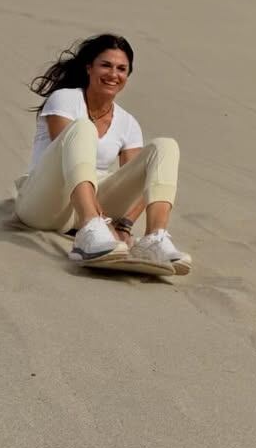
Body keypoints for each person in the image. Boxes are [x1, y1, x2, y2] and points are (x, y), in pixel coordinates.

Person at [14, 33, 191, 272]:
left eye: (121, 68)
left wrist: (124, 226)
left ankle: (154, 238)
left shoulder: (128, 123)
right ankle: (90, 228)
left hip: (96, 208)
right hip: (44, 203)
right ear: (89, 68)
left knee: (165, 146)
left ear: (127, 75)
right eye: (105, 65)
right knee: (83, 127)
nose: (113, 74)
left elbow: (136, 182)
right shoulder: (65, 99)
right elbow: (64, 155)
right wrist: (98, 221)